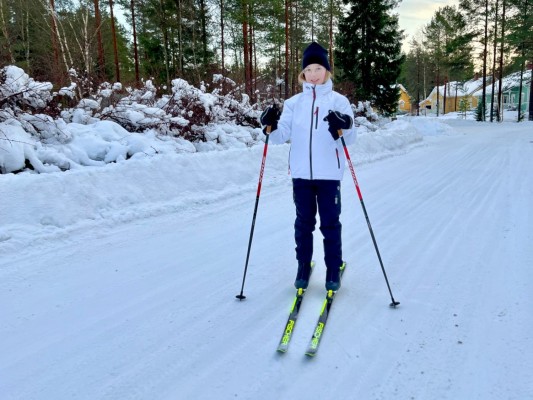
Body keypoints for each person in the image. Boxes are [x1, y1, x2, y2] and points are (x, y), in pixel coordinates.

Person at [260, 42, 355, 291]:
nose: (314, 74)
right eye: (309, 69)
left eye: (318, 68)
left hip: (329, 175)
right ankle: (303, 265)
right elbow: (280, 136)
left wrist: (343, 124)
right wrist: (270, 125)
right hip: (301, 175)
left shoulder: (339, 101)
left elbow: (351, 139)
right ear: (303, 73)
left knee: (330, 224)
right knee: (303, 223)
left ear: (327, 71)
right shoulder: (294, 103)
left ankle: (333, 268)